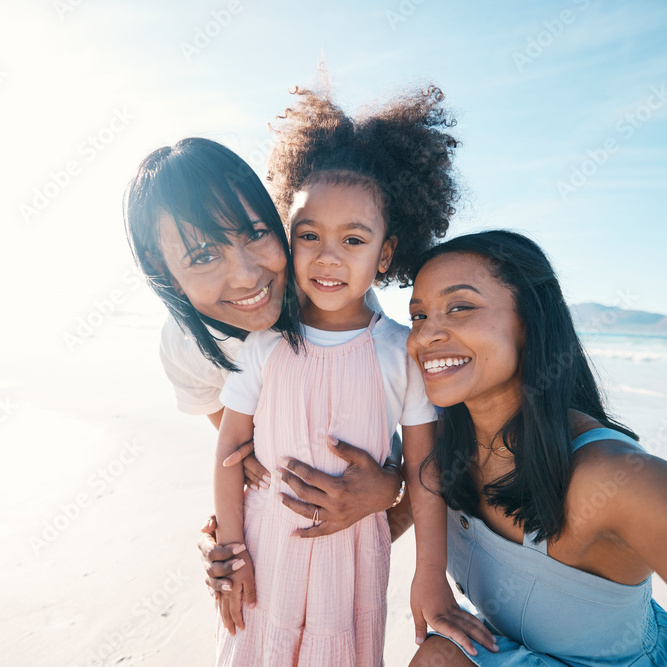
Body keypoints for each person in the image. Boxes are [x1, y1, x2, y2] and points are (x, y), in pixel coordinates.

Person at [212, 84, 468, 666]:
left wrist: (430, 575)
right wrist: (232, 553)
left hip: (351, 564)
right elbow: (228, 450)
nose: (329, 257)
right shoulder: (265, 344)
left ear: (385, 253)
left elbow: (426, 470)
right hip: (265, 554)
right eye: (309, 235)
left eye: (353, 240)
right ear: (286, 236)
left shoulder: (400, 352)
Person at [405, 230, 667, 666]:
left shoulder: (615, 479)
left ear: (530, 320)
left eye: (460, 307)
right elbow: (409, 497)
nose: (427, 334)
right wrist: (378, 492)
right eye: (418, 316)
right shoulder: (439, 448)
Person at [123, 136, 409, 602]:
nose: (247, 276)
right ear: (163, 267)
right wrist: (229, 548)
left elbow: (414, 452)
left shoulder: (331, 300)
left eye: (255, 233)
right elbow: (242, 458)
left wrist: (388, 494)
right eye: (203, 255)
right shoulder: (185, 347)